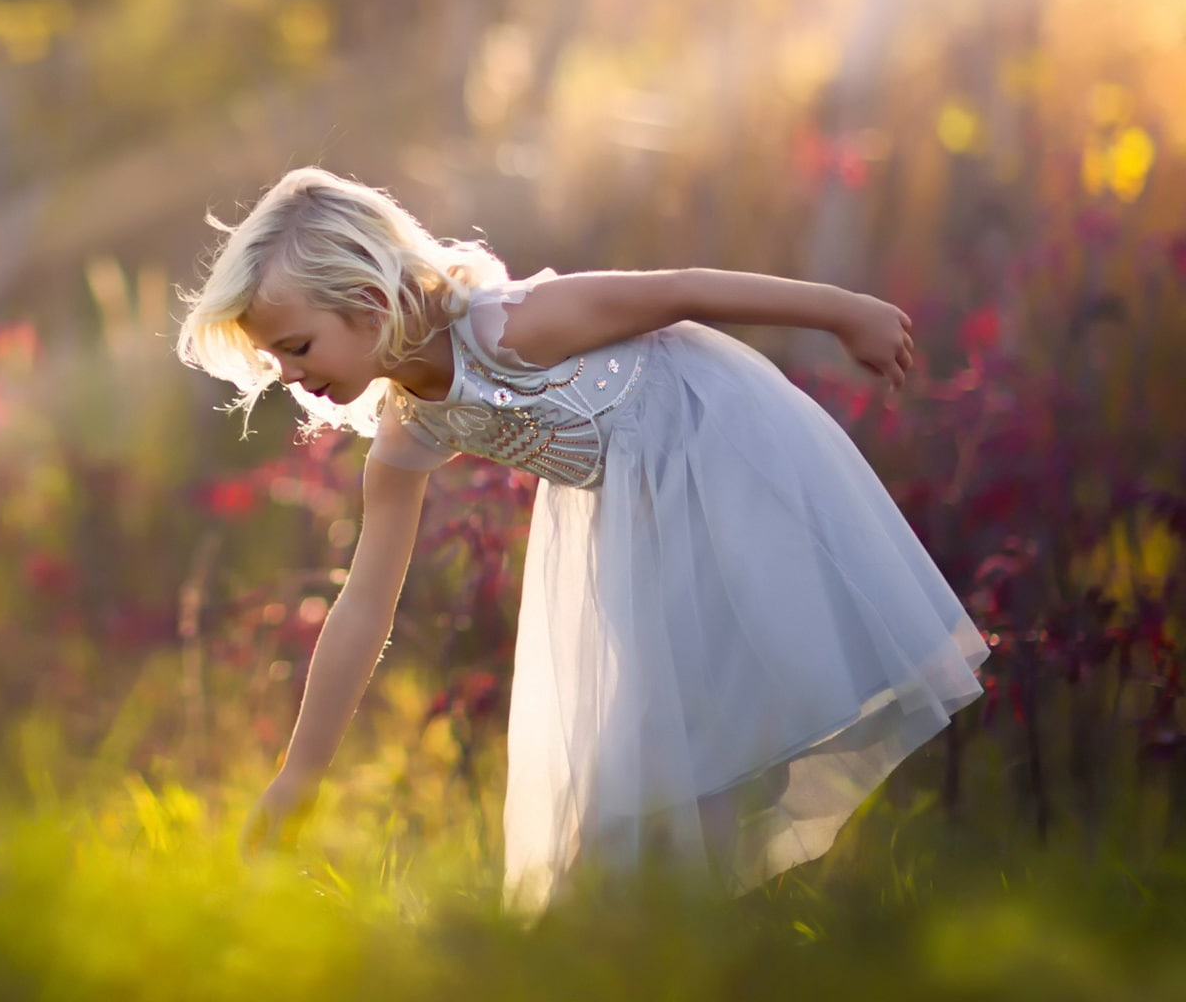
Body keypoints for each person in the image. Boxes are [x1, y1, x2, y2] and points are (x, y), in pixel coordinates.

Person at [174, 167, 989, 916]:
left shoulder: (517, 326)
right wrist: (299, 775)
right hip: (633, 513)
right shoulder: (406, 430)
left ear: (368, 300)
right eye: (273, 357)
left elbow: (679, 290)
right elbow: (363, 607)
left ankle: (737, 926)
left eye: (296, 346)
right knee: (646, 767)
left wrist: (848, 312)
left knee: (704, 731)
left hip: (724, 453)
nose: (286, 375)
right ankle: (698, 931)